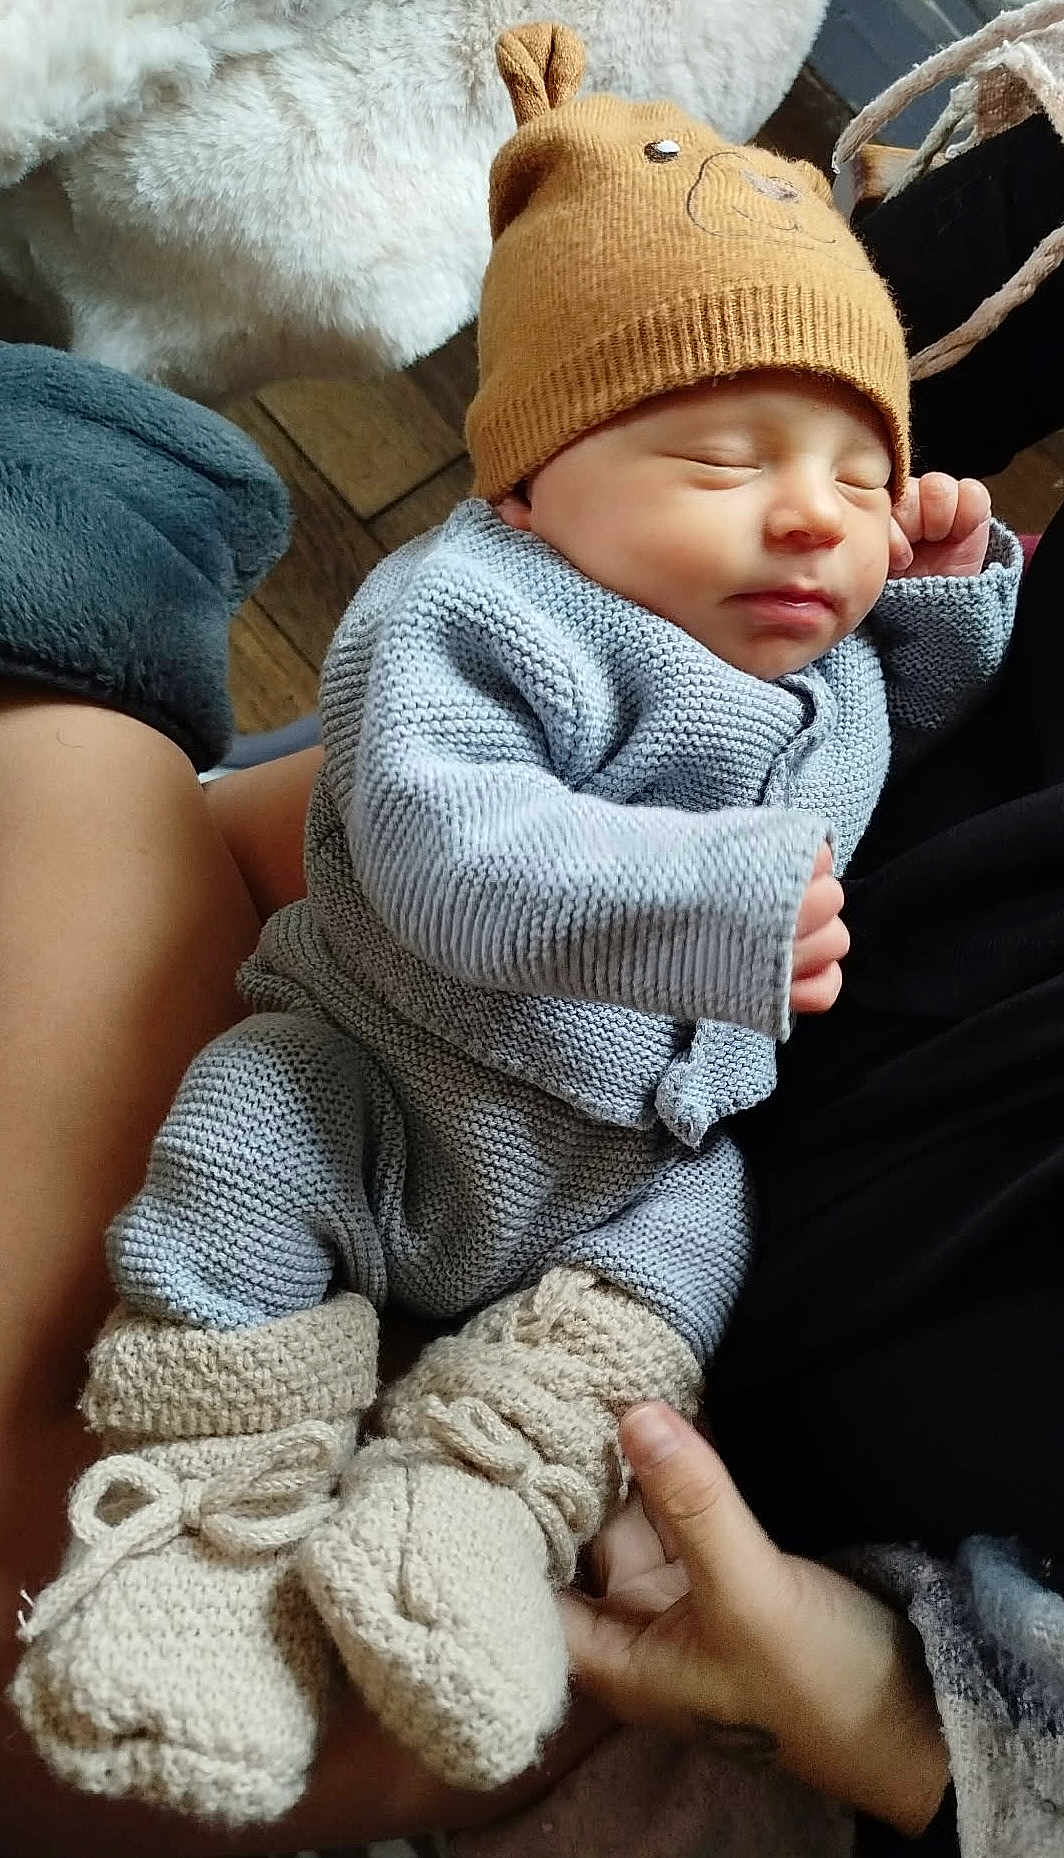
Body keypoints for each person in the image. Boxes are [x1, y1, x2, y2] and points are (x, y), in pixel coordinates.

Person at [8, 13, 1023, 1831]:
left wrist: (941, 593)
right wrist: (707, 904)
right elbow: (434, 835)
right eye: (727, 461)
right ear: (529, 483)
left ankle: (466, 1517)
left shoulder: (832, 661)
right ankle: (203, 1538)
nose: (813, 518)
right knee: (238, 1155)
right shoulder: (482, 618)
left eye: (858, 475)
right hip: (391, 1085)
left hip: (638, 1166)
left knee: (646, 1314)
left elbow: (921, 734)